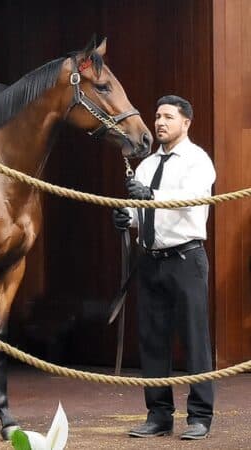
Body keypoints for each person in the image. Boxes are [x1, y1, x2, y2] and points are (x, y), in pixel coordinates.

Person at [112, 95, 216, 440]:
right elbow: (141, 216)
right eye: (157, 116)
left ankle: (200, 416)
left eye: (168, 117)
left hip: (185, 259)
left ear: (186, 122)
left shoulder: (197, 161)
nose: (159, 123)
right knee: (152, 340)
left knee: (194, 338)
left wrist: (149, 195)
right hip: (152, 261)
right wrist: (125, 217)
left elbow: (189, 205)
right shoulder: (146, 164)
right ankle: (159, 415)